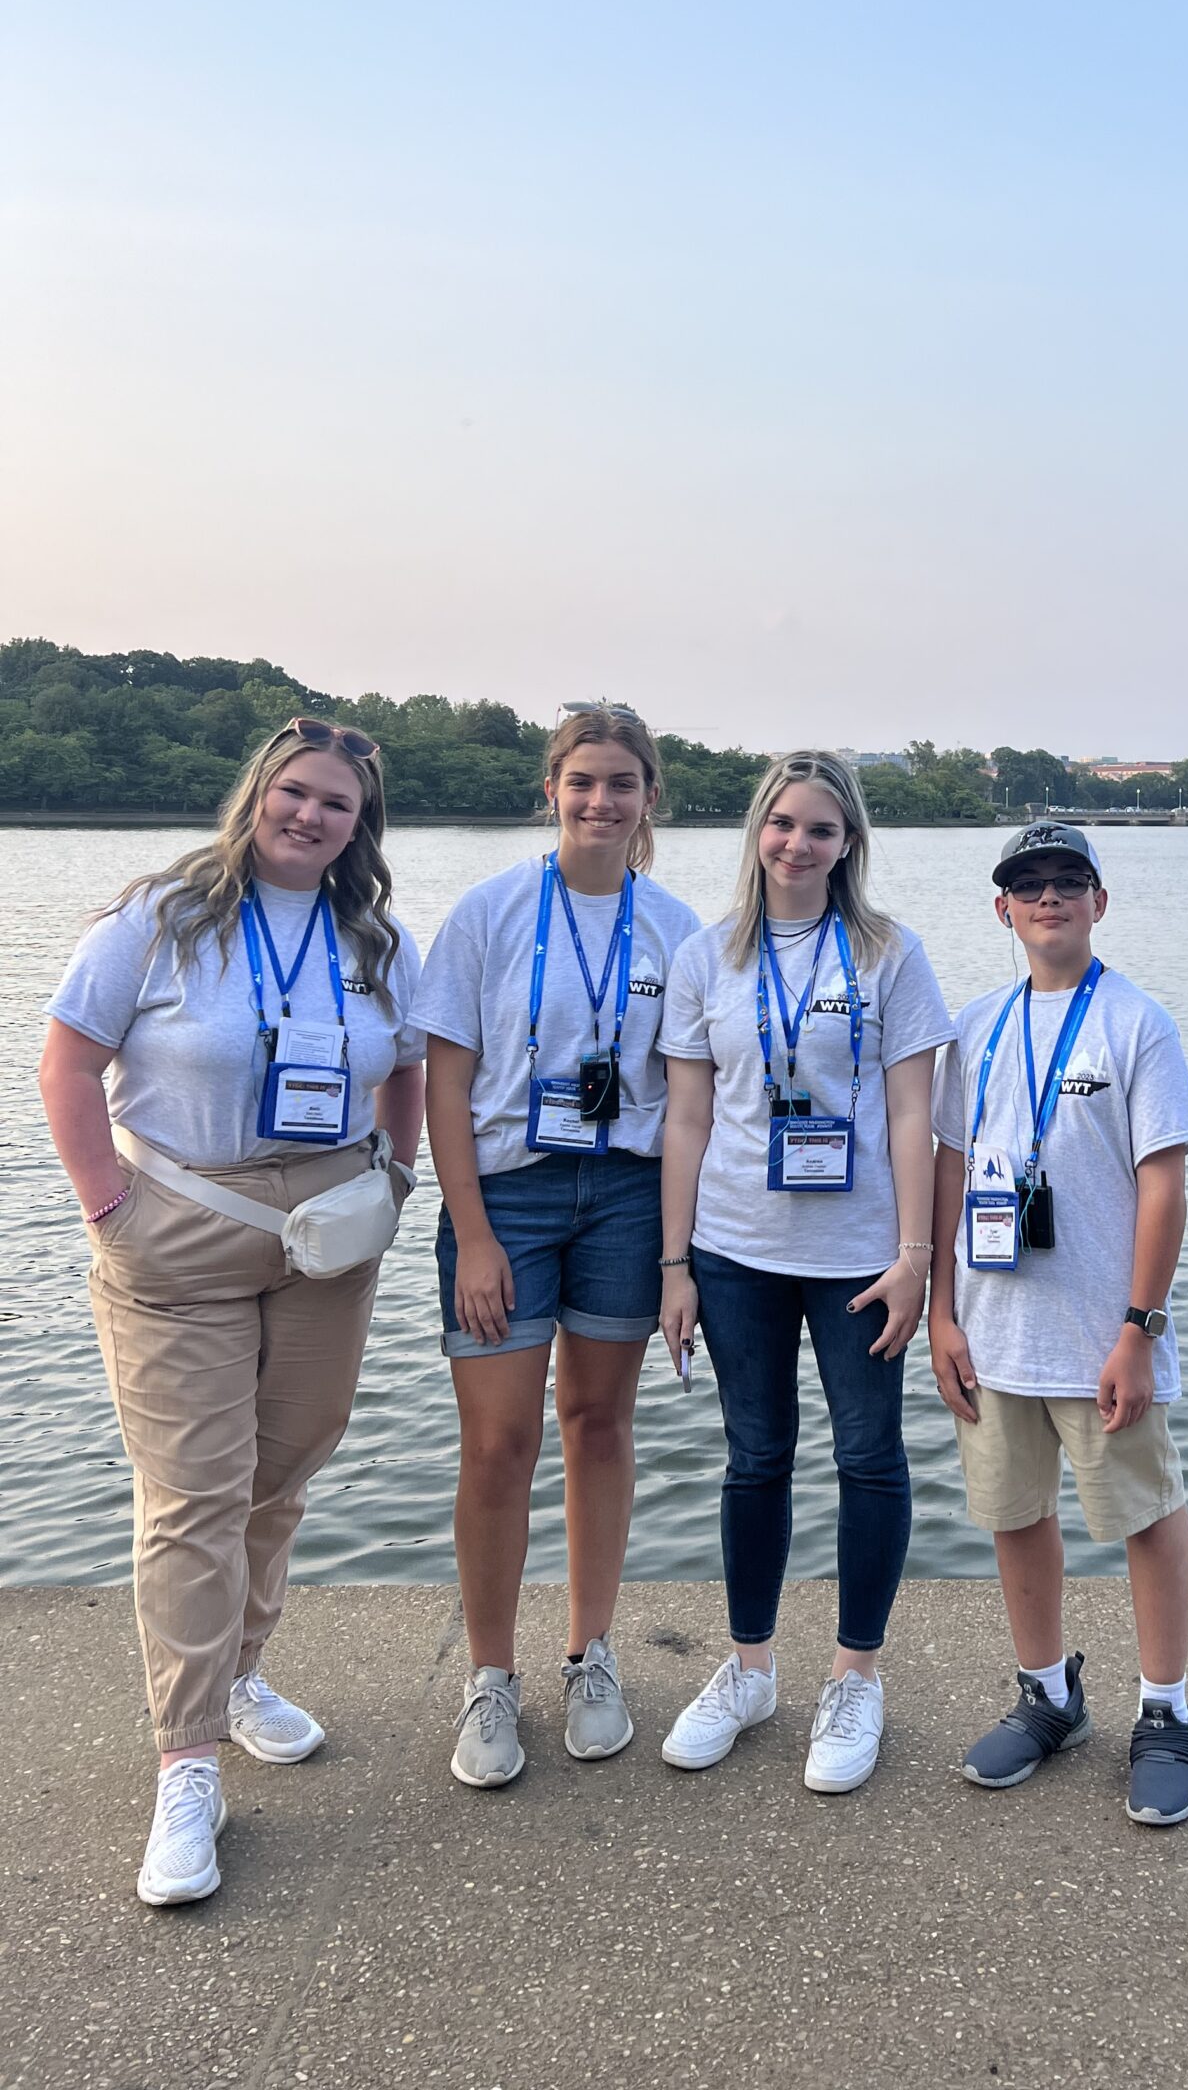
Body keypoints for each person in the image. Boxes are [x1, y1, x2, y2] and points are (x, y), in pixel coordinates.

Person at [39, 718, 426, 1906]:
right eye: (295, 793)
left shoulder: (374, 939)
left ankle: (239, 1671)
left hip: (327, 1236)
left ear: (361, 826)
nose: (311, 816)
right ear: (257, 793)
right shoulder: (159, 916)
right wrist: (110, 1207)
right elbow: (65, 1061)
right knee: (193, 1493)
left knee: (283, 1471)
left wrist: (397, 1179)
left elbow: (405, 1065)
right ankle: (188, 1758)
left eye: (337, 805)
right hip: (178, 1226)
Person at [656, 751, 952, 1794]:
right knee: (755, 1457)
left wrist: (917, 1257)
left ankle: (855, 1675)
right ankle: (748, 1670)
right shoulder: (707, 956)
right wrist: (673, 1262)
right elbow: (687, 1117)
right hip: (735, 1250)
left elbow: (916, 1112)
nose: (797, 843)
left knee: (869, 1455)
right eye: (782, 823)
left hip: (859, 1256)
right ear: (757, 832)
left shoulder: (888, 954)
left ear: (849, 844)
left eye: (820, 829)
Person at [414, 707, 699, 1789]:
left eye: (622, 783)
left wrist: (680, 1256)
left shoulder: (676, 928)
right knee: (497, 1444)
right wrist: (474, 1231)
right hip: (509, 1198)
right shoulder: (487, 914)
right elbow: (444, 1080)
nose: (601, 801)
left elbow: (684, 1100)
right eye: (582, 781)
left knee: (598, 1422)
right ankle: (490, 1676)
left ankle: (589, 1655)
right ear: (552, 788)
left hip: (627, 1194)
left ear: (648, 798)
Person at [928, 820, 1188, 1826]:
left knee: (1143, 1516)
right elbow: (950, 1172)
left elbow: (1163, 1185)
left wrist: (1139, 1326)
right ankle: (1048, 1693)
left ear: (1100, 901)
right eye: (1029, 884)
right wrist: (940, 1314)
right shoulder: (975, 1024)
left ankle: (1167, 1711)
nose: (1049, 898)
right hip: (992, 1331)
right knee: (1012, 1514)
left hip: (1102, 1337)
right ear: (1002, 907)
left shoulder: (1137, 1023)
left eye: (1069, 881)